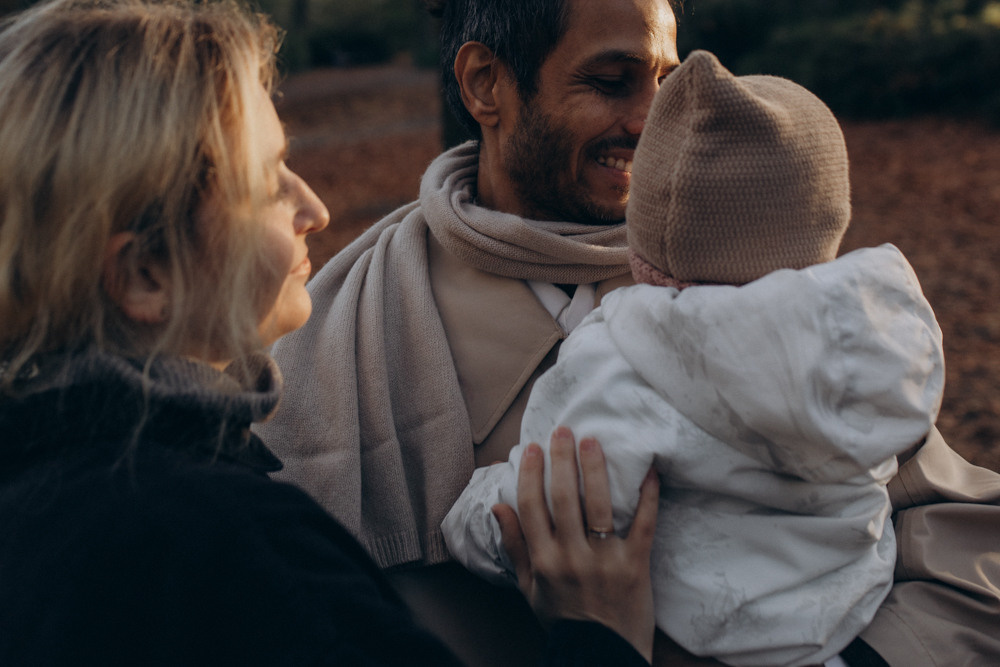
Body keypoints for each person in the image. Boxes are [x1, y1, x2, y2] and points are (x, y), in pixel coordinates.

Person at [257, 0, 1000, 665]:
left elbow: (961, 533)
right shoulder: (342, 328)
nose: (656, 119)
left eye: (668, 82)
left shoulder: (756, 284)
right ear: (485, 83)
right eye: (613, 81)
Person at [0, 0, 663, 664]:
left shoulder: (43, 488)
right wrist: (598, 628)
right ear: (143, 273)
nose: (315, 210)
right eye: (264, 183)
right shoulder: (225, 543)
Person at [443, 50, 948, 667]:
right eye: (610, 81)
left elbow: (546, 508)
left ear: (646, 258)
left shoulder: (621, 360)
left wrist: (470, 512)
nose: (643, 112)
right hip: (849, 623)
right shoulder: (881, 330)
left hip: (698, 638)